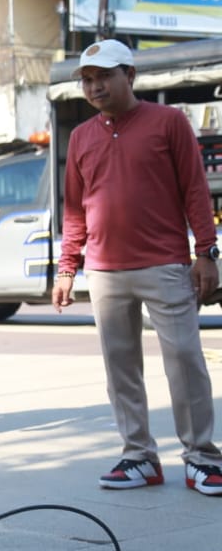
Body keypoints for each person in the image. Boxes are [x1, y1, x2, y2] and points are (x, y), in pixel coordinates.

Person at [53, 39, 222, 496]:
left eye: (104, 76)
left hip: (166, 264)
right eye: (87, 80)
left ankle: (202, 458)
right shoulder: (81, 137)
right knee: (120, 366)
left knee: (185, 360)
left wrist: (206, 252)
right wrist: (67, 267)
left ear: (129, 75)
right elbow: (75, 209)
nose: (95, 86)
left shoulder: (169, 122)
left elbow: (195, 190)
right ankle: (139, 456)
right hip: (104, 271)